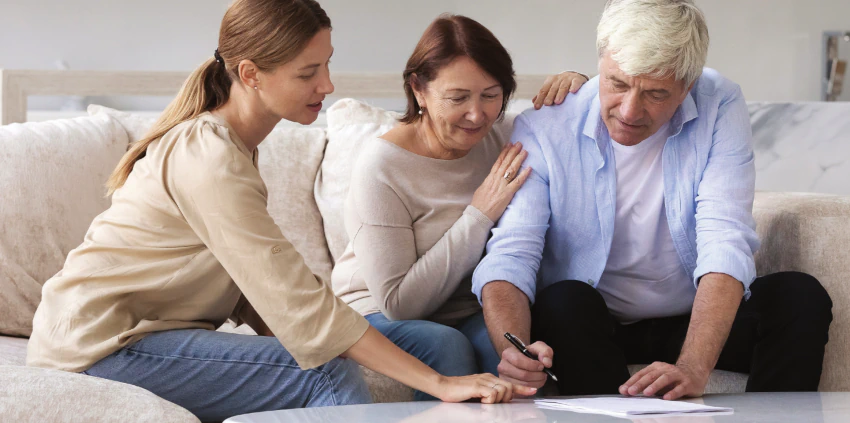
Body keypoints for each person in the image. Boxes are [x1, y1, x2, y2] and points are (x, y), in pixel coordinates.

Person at [26, 1, 536, 421]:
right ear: (251, 74)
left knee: (325, 357)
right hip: (99, 345)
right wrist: (438, 383)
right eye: (308, 72)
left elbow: (255, 286)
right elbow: (290, 295)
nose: (328, 85)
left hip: (131, 336)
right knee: (327, 374)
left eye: (327, 64)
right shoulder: (209, 157)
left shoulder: (235, 148)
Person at [472, 0, 833, 400]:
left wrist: (693, 366)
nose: (629, 111)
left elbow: (724, 236)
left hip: (689, 317)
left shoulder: (720, 102)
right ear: (601, 62)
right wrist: (513, 348)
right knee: (563, 302)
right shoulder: (546, 124)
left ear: (688, 84)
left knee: (799, 298)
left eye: (656, 93)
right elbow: (512, 253)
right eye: (618, 83)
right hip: (590, 325)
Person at [330, 15, 588, 400]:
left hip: (469, 312)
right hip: (378, 315)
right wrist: (479, 214)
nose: (477, 114)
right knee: (446, 345)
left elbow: (578, 124)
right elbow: (401, 304)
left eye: (490, 94)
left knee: (516, 354)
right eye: (457, 98)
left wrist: (580, 87)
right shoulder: (381, 166)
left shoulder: (507, 135)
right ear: (418, 89)